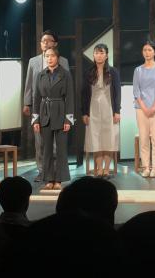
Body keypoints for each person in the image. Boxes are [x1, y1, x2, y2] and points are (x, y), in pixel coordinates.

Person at [23, 30, 70, 182]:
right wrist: (27, 102)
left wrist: (68, 115)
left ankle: (56, 173)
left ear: (55, 44)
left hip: (58, 106)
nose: (45, 43)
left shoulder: (63, 62)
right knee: (40, 142)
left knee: (57, 145)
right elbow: (29, 84)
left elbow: (68, 88)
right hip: (41, 105)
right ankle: (42, 171)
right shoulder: (33, 61)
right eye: (43, 41)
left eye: (49, 40)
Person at [31, 47, 75, 190]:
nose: (49, 58)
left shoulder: (65, 74)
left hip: (60, 112)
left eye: (52, 56)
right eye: (47, 56)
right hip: (45, 113)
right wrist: (35, 119)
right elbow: (36, 98)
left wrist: (68, 119)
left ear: (57, 58)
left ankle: (59, 180)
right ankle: (49, 179)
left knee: (61, 149)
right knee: (46, 149)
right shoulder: (41, 75)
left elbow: (70, 97)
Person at [81, 44, 121, 178]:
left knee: (109, 139)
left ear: (106, 55)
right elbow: (84, 94)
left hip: (109, 108)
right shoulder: (89, 72)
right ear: (93, 55)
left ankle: (106, 169)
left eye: (102, 53)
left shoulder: (113, 72)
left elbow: (117, 93)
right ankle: (98, 169)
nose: (99, 55)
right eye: (96, 53)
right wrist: (84, 113)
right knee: (95, 138)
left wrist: (117, 111)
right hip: (93, 109)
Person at [132, 40, 155, 178]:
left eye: (149, 50)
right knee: (143, 138)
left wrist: (153, 107)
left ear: (154, 52)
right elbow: (136, 91)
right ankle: (146, 166)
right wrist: (144, 108)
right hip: (141, 108)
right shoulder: (138, 70)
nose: (147, 53)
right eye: (144, 50)